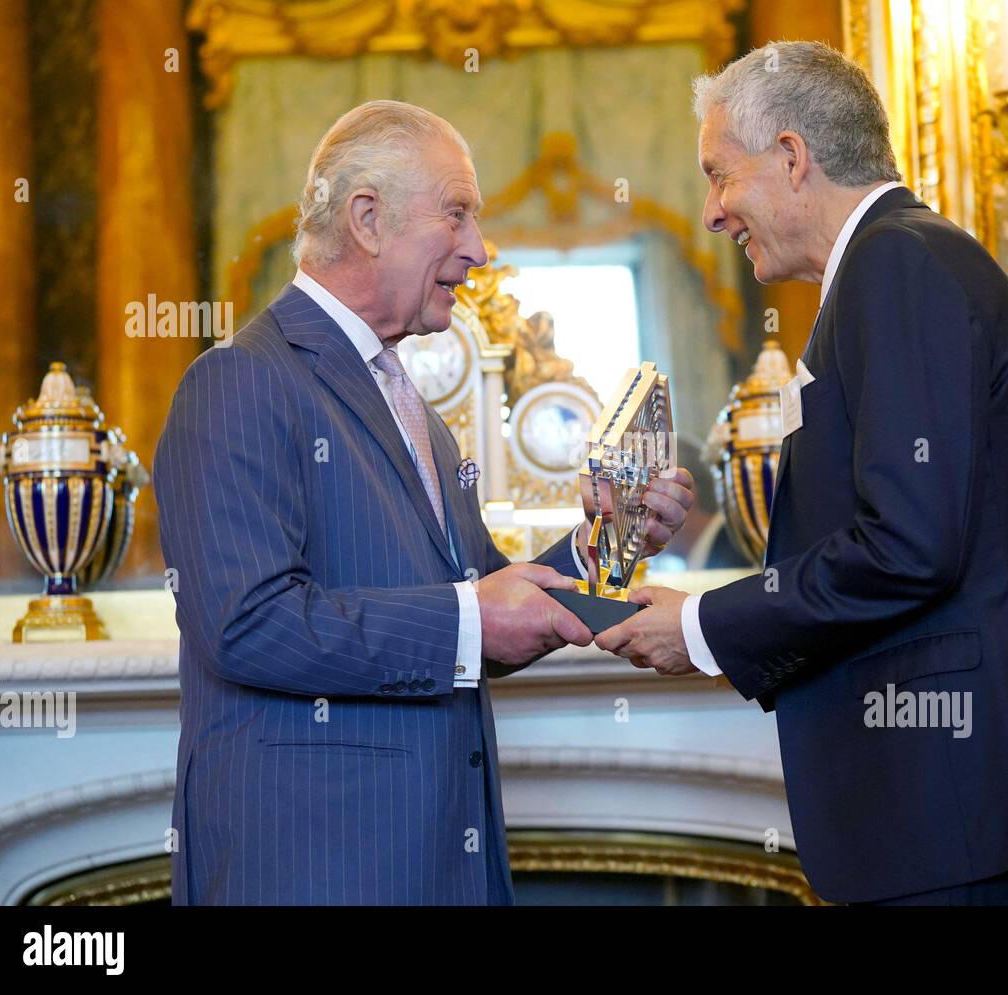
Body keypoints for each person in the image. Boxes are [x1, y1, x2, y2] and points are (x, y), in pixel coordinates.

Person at [595, 41, 1008, 905]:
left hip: (959, 811)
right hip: (958, 812)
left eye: (717, 174)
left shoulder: (896, 265)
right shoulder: (891, 264)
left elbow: (910, 545)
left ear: (790, 156)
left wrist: (703, 625)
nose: (710, 212)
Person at [154, 100, 693, 905]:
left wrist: (601, 544)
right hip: (314, 871)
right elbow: (245, 623)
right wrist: (472, 617)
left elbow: (485, 605)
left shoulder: (418, 415)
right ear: (367, 218)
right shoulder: (240, 380)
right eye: (458, 213)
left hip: (441, 861)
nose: (480, 249)